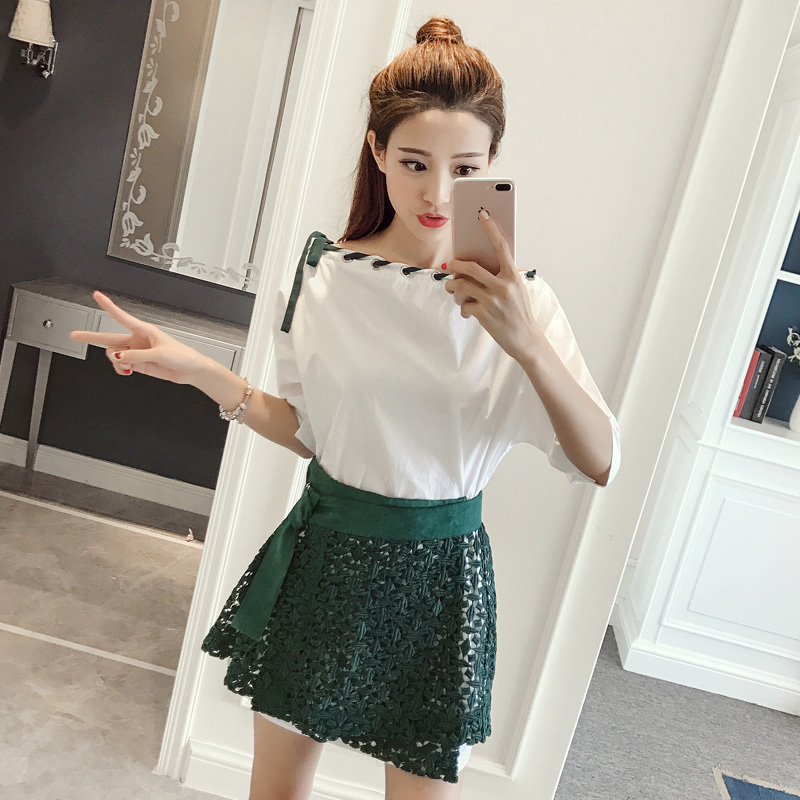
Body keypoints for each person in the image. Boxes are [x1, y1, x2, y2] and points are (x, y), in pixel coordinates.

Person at [71, 16, 620, 800]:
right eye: (414, 162)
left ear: (492, 165)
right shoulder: (324, 277)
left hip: (440, 587)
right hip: (325, 561)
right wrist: (199, 371)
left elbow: (599, 460)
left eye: (464, 167)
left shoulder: (525, 305)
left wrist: (527, 343)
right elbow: (315, 437)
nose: (437, 192)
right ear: (377, 151)